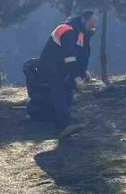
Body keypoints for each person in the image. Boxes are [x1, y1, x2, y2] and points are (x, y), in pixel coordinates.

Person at [37, 10, 98, 140]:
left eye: (94, 26)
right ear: (83, 19)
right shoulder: (67, 30)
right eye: (90, 25)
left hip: (61, 68)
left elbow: (79, 54)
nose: (92, 29)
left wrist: (83, 71)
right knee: (60, 92)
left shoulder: (79, 33)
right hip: (50, 68)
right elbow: (70, 56)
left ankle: (65, 122)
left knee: (67, 92)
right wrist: (76, 77)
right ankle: (62, 127)